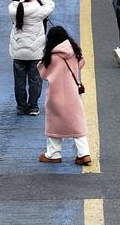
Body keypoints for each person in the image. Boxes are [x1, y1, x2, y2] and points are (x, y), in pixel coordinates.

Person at [37, 26, 91, 165]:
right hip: (73, 94)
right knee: (77, 124)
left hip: (56, 96)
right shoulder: (74, 52)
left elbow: (43, 73)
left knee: (54, 125)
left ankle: (54, 154)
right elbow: (81, 63)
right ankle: (84, 154)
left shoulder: (52, 57)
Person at [10, 0, 55, 116]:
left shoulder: (13, 9)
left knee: (19, 81)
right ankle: (33, 107)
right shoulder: (38, 11)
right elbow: (51, 5)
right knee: (35, 80)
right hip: (35, 52)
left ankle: (21, 106)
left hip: (17, 52)